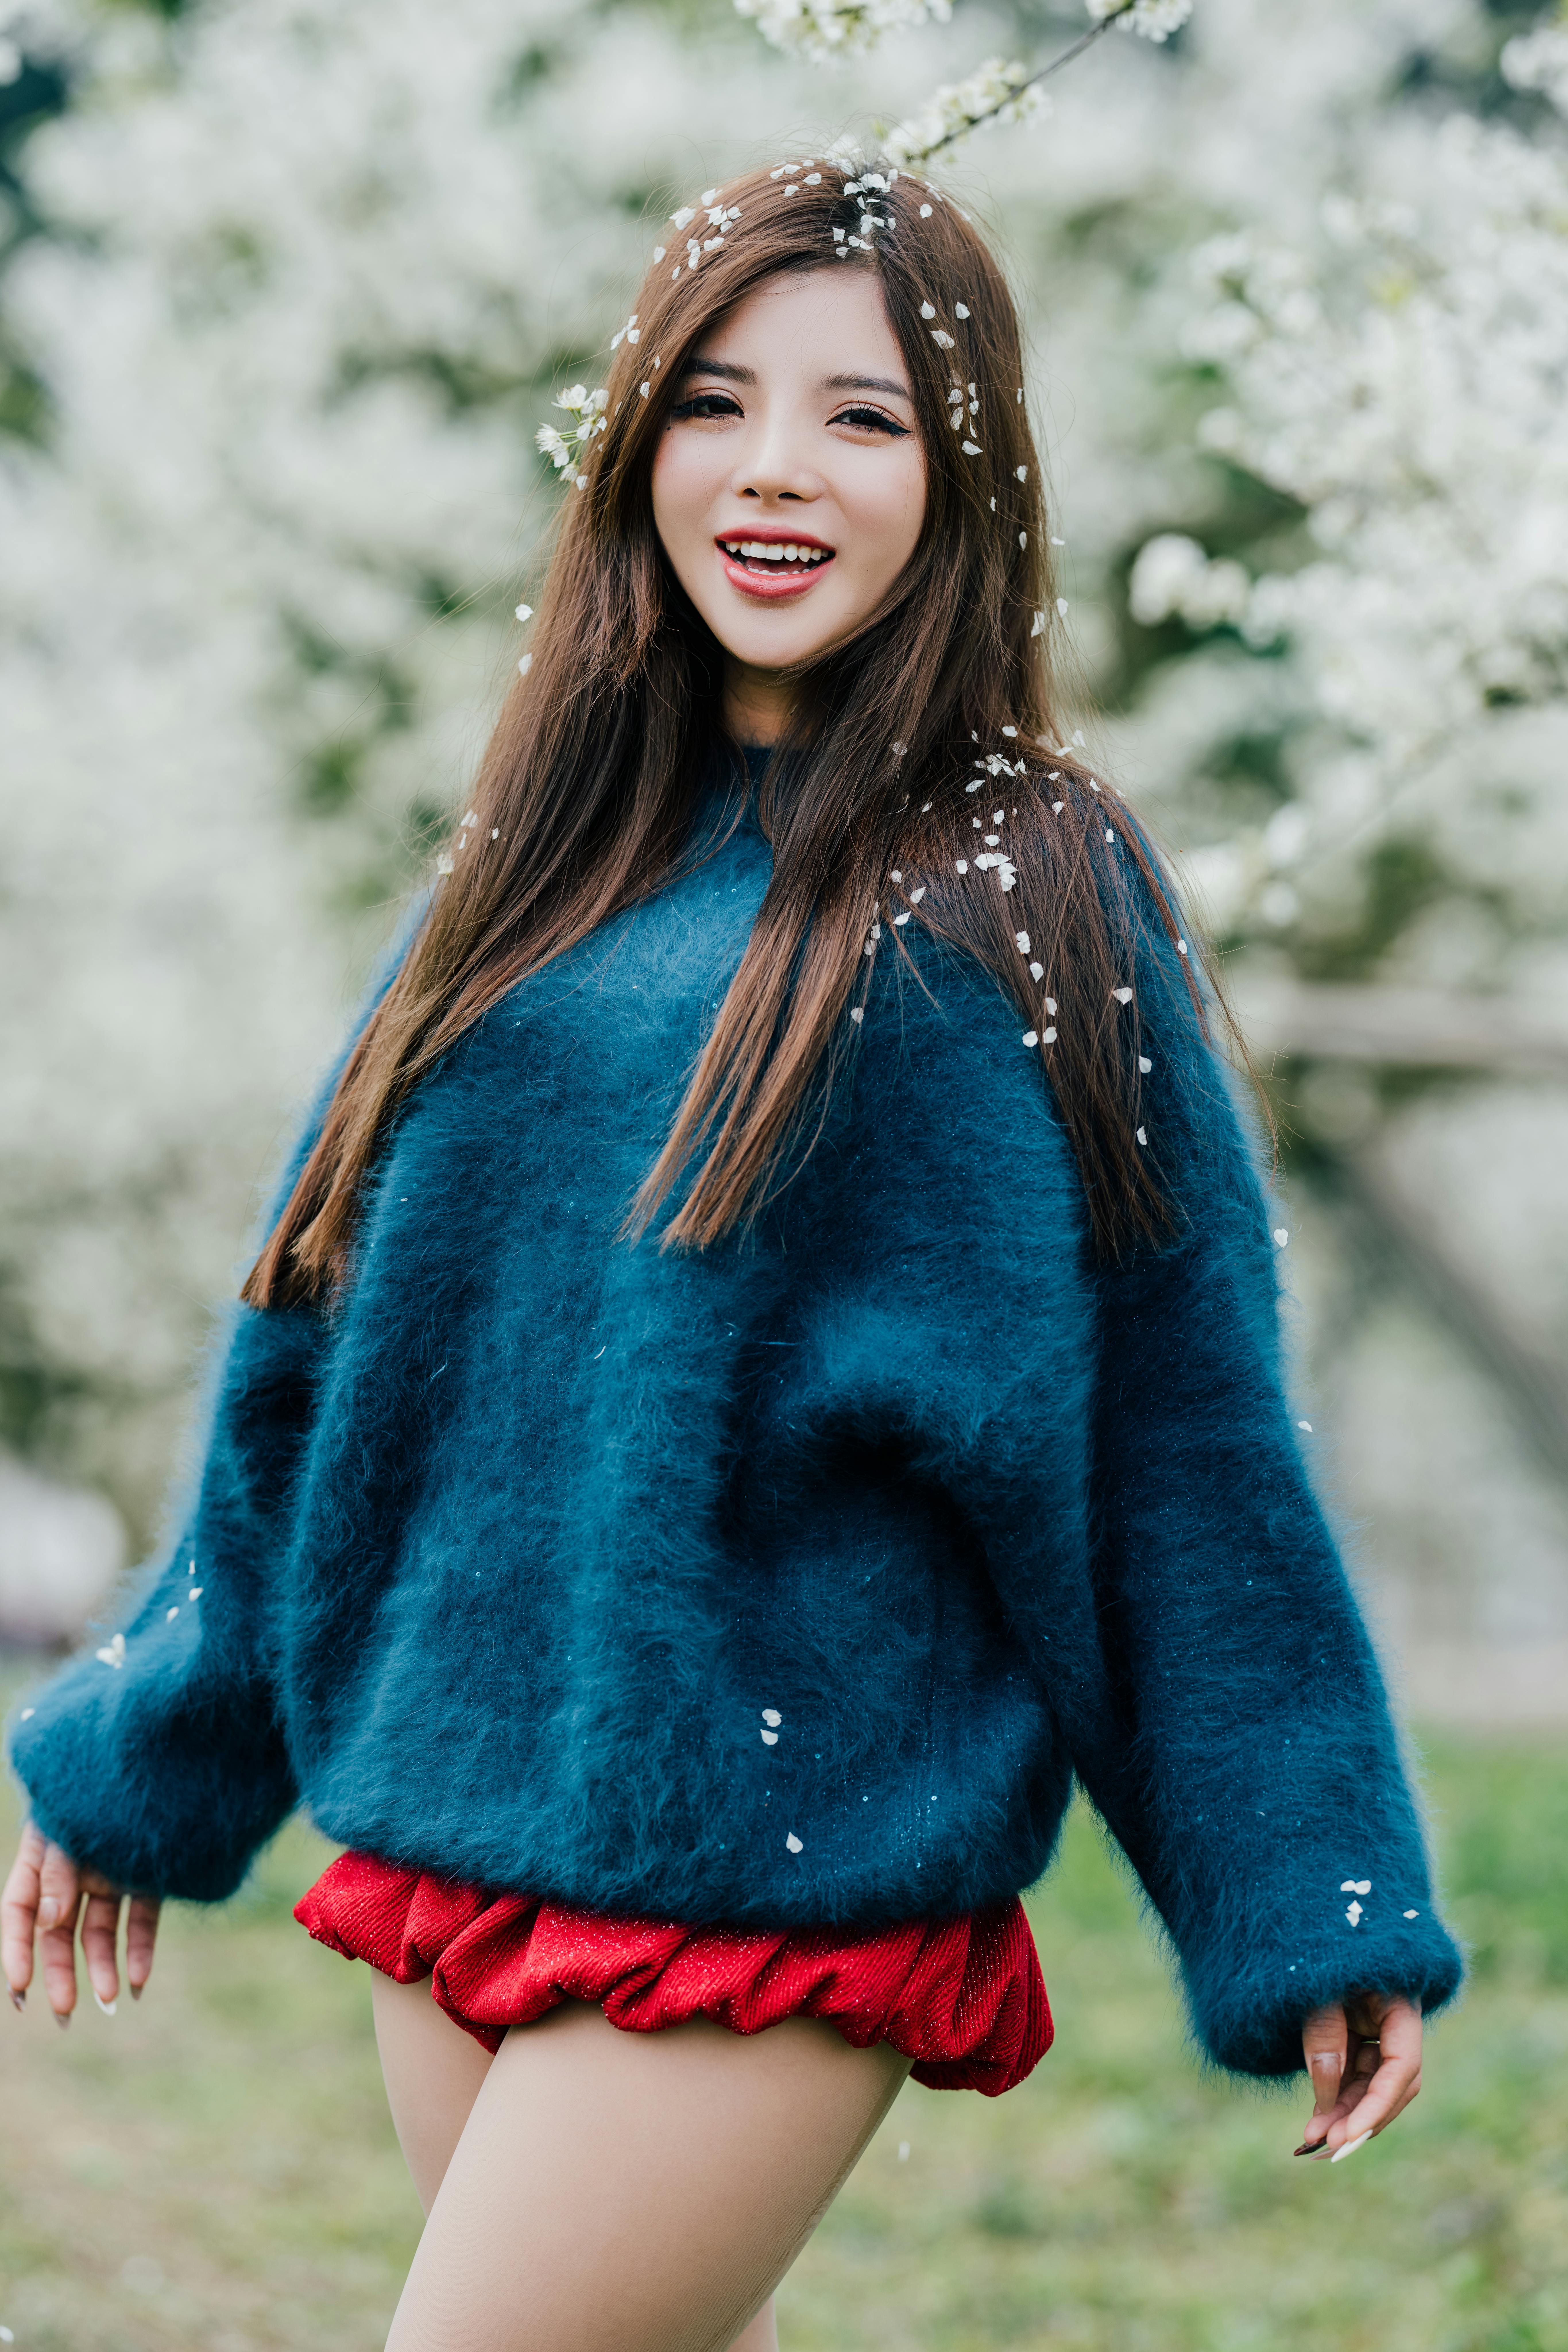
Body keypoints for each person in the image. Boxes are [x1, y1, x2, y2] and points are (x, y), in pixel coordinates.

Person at [3, 156, 1461, 2352]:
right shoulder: (540, 861)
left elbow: (1175, 1428)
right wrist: (151, 1741)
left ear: (963, 478)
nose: (776, 468)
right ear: (637, 450)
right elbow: (327, 1353)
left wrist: (1308, 1882)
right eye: (715, 401)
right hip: (473, 1814)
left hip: (789, 1856)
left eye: (863, 416)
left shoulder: (1027, 887)